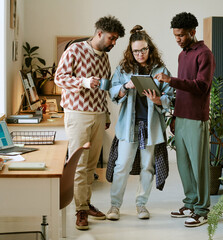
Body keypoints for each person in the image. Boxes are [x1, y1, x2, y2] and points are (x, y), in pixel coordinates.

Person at [54, 15, 125, 230]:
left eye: (116, 40)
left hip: (98, 115)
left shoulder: (104, 56)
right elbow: (59, 78)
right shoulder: (75, 50)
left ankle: (84, 203)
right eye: (112, 38)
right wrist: (84, 82)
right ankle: (80, 211)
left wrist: (107, 116)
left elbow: (104, 89)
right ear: (100, 33)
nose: (114, 43)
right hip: (77, 114)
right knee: (79, 164)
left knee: (91, 166)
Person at [106, 25, 174, 221]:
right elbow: (112, 92)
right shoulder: (123, 69)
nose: (140, 54)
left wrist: (158, 100)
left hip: (150, 126)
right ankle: (114, 206)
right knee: (122, 165)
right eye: (136, 51)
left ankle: (141, 205)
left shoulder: (161, 70)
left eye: (143, 49)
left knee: (147, 166)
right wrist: (125, 87)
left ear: (149, 48)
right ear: (131, 51)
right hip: (129, 125)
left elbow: (171, 97)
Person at [155, 12, 215, 227]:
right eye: (175, 36)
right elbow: (181, 92)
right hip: (181, 118)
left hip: (196, 119)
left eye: (181, 35)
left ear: (192, 32)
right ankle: (190, 202)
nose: (178, 39)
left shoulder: (204, 54)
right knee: (184, 165)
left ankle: (202, 210)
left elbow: (201, 87)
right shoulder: (183, 55)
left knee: (199, 166)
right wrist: (174, 117)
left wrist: (171, 80)